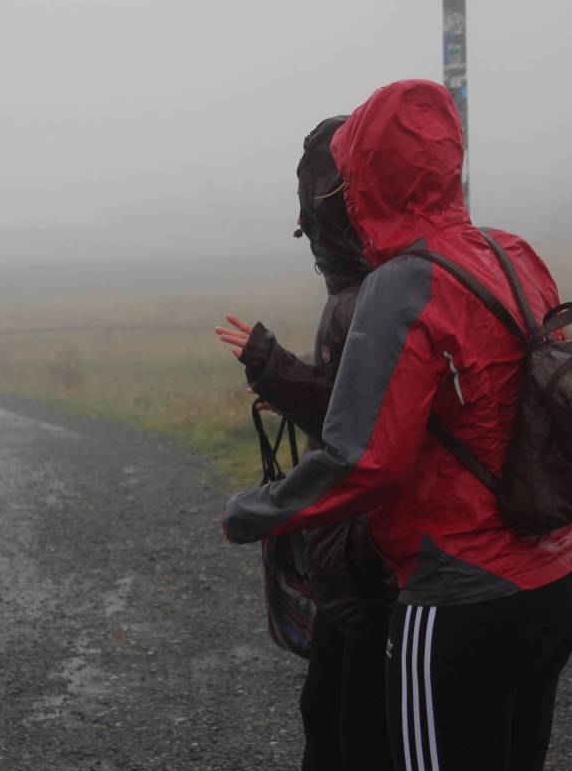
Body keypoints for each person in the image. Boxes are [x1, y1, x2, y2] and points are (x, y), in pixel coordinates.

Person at [223, 80, 572, 771]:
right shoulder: (511, 251)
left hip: (463, 590)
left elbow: (367, 459)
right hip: (564, 572)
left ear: (361, 176)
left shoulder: (401, 283)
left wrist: (257, 511)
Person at [215, 116, 397, 769]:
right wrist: (287, 383)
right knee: (328, 716)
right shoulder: (368, 291)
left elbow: (365, 431)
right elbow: (357, 407)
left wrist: (272, 365)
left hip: (374, 561)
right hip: (354, 557)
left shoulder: (374, 296)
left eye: (315, 220)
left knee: (352, 733)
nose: (312, 238)